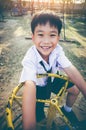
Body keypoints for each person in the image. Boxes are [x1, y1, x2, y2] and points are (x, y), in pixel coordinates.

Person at [19, 10, 86, 130]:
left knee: (75, 90)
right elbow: (29, 84)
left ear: (58, 37)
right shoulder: (30, 58)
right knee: (40, 118)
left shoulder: (57, 51)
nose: (46, 41)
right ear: (33, 37)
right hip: (38, 87)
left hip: (53, 80)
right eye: (40, 35)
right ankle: (42, 120)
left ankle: (66, 110)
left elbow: (70, 69)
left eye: (52, 35)